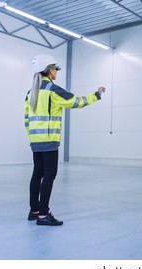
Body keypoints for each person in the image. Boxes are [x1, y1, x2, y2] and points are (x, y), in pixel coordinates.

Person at [24, 54, 105, 226]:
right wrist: (96, 95)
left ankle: (34, 210)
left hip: (35, 141)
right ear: (49, 71)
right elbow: (76, 101)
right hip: (49, 141)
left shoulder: (30, 93)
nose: (56, 72)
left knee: (37, 174)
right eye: (55, 69)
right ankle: (44, 215)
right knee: (48, 175)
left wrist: (32, 136)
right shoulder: (53, 91)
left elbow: (26, 119)